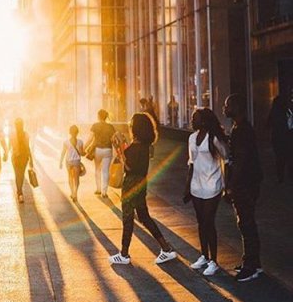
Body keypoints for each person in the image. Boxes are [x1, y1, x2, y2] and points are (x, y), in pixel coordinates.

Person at [109, 112, 176, 266]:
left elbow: (128, 166)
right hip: (141, 183)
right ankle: (165, 249)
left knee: (128, 217)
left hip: (131, 184)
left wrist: (119, 149)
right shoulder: (144, 145)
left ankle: (124, 254)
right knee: (144, 216)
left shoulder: (136, 146)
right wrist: (124, 146)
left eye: (131, 124)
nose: (130, 126)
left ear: (136, 127)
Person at [223, 93, 263, 282]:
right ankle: (251, 261)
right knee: (246, 222)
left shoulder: (241, 131)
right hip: (248, 182)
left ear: (237, 107)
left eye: (228, 105)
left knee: (246, 222)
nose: (225, 108)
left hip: (245, 184)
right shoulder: (240, 128)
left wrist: (231, 186)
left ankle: (251, 266)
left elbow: (240, 161)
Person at [184, 108, 229, 277]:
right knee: (201, 222)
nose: (191, 120)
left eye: (194, 118)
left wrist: (227, 186)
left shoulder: (214, 138)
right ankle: (204, 255)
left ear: (203, 121)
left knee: (209, 221)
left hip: (213, 185)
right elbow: (191, 163)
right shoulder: (191, 138)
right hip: (197, 185)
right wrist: (187, 186)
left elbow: (227, 158)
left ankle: (214, 261)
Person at [85, 109, 116, 197]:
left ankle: (98, 189)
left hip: (98, 150)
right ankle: (104, 192)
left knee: (97, 169)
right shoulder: (110, 127)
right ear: (106, 117)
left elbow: (90, 138)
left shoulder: (95, 126)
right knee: (105, 171)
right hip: (108, 150)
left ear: (98, 116)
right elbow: (114, 140)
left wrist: (84, 147)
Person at [266, 93, 293, 183]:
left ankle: (280, 177)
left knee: (279, 158)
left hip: (277, 138)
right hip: (288, 138)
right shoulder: (287, 112)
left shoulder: (274, 112)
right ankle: (290, 176)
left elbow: (268, 124)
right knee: (289, 158)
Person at [10, 117, 33, 203]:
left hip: (15, 157)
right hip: (24, 157)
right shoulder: (26, 134)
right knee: (21, 175)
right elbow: (28, 147)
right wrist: (31, 159)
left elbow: (10, 146)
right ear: (23, 125)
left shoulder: (12, 134)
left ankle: (19, 192)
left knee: (17, 174)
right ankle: (20, 192)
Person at [60, 125, 85, 202]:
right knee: (76, 179)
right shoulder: (80, 142)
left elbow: (63, 153)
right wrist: (85, 152)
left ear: (69, 132)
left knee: (70, 177)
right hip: (76, 162)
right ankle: (75, 193)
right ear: (77, 132)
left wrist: (60, 162)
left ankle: (72, 192)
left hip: (68, 162)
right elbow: (81, 153)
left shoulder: (66, 142)